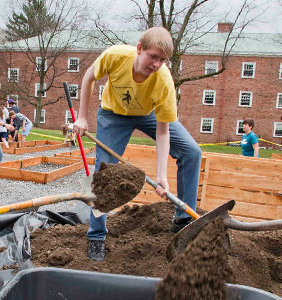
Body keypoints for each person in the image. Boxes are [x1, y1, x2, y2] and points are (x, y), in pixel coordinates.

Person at [72, 27, 203, 261]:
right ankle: (96, 236)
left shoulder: (163, 81)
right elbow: (88, 77)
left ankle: (183, 220)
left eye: (162, 60)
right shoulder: (115, 56)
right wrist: (82, 116)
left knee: (191, 152)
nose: (156, 64)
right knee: (104, 169)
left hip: (147, 114)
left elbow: (163, 132)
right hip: (113, 114)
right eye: (153, 56)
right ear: (139, 48)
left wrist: (161, 176)